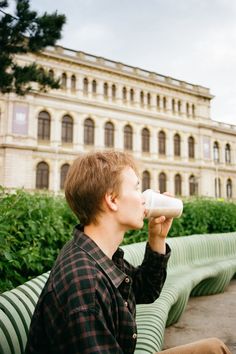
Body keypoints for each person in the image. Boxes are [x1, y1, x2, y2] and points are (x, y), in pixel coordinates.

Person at [25, 150, 231, 354]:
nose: (143, 198)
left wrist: (157, 238)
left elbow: (146, 290)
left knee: (212, 348)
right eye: (136, 188)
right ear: (112, 199)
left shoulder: (98, 253)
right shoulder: (85, 284)